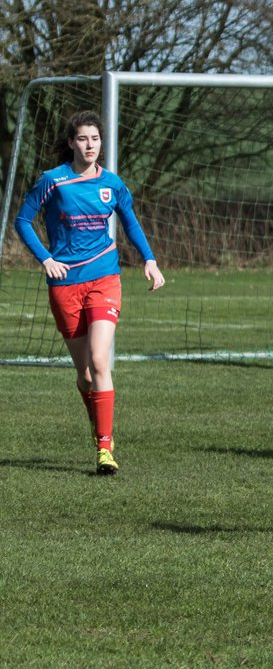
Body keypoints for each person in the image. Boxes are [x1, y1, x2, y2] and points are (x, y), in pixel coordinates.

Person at [14, 110, 166, 474]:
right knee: (84, 373)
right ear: (71, 143)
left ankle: (104, 448)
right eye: (82, 139)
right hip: (65, 283)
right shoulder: (53, 181)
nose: (90, 145)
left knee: (100, 360)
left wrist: (149, 259)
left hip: (104, 278)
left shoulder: (112, 183)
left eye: (95, 139)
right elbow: (22, 220)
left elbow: (129, 219)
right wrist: (46, 258)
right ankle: (100, 425)